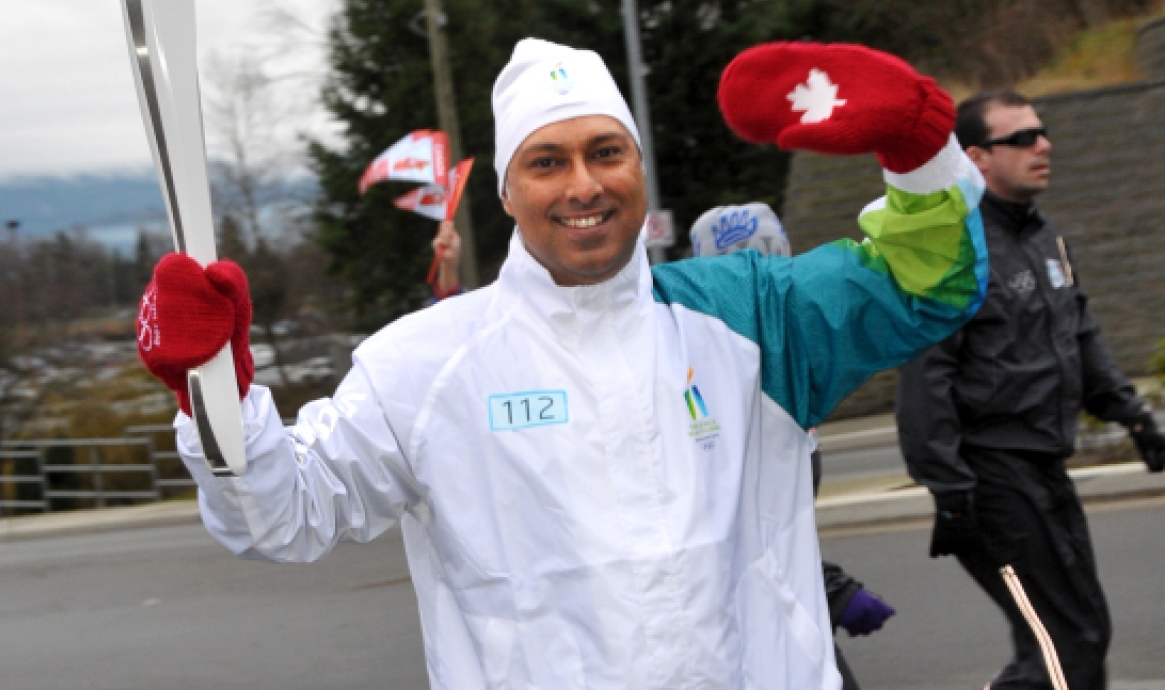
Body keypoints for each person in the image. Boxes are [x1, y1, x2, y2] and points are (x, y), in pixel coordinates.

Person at [139, 38, 987, 688]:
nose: (583, 185)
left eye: (605, 152)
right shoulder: (424, 365)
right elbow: (279, 517)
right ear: (507, 192)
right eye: (547, 162)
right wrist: (216, 394)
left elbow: (923, 285)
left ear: (638, 168)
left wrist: (920, 153)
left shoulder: (752, 316)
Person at [896, 88, 1165, 690]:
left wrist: (1134, 417)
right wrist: (951, 492)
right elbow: (926, 374)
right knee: (1065, 647)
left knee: (1080, 634)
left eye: (1041, 133)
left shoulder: (1046, 237)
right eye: (1020, 138)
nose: (1042, 145)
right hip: (992, 477)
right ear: (978, 157)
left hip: (1045, 466)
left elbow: (1081, 329)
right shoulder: (954, 247)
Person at [690, 204, 896, 690]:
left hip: (785, 615)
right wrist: (835, 591)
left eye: (770, 263)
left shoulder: (787, 366)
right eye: (734, 268)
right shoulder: (694, 380)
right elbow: (730, 536)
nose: (756, 286)